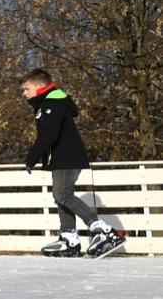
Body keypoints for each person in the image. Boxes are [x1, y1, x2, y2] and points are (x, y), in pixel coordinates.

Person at [21, 70, 124, 258]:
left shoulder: (52, 104)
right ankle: (69, 238)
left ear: (39, 87)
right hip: (61, 158)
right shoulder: (49, 103)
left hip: (67, 157)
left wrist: (32, 156)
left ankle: (104, 231)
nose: (24, 93)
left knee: (62, 195)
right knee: (61, 196)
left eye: (26, 89)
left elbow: (49, 135)